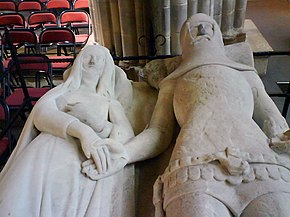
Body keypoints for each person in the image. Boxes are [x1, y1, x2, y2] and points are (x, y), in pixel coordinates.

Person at [133, 13, 290, 217]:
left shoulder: (245, 72)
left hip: (259, 159)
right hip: (195, 162)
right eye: (194, 28)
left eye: (208, 26)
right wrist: (124, 153)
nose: (203, 31)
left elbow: (274, 122)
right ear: (183, 41)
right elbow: (159, 132)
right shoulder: (172, 81)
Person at [0, 44, 159, 216]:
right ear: (78, 63)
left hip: (80, 165)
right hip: (42, 157)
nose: (92, 60)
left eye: (100, 59)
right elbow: (41, 114)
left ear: (105, 69)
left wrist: (96, 123)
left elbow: (125, 136)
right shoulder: (60, 92)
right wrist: (84, 131)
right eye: (88, 56)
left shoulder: (109, 103)